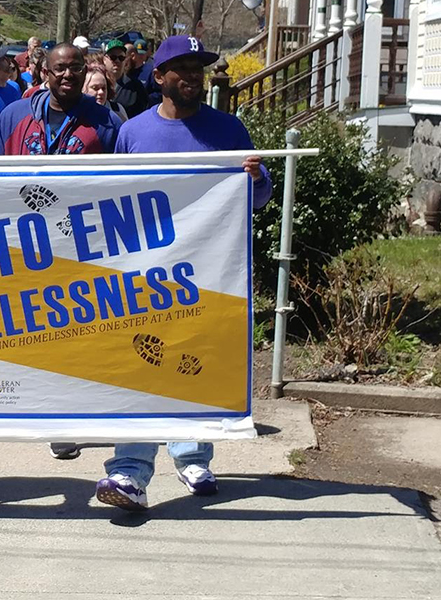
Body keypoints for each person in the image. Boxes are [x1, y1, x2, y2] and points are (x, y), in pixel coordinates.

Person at [97, 35, 272, 512]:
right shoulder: (133, 133)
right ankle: (129, 469)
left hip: (205, 275)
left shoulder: (230, 129)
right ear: (159, 77)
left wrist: (256, 179)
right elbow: (112, 200)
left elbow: (256, 200)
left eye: (198, 67)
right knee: (139, 367)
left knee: (194, 362)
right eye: (182, 67)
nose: (192, 75)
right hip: (144, 277)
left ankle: (193, 454)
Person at [0, 43, 120, 156]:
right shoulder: (13, 116)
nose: (68, 74)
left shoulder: (107, 123)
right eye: (59, 68)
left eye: (76, 68)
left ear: (84, 72)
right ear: (46, 73)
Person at [105, 40, 149, 117]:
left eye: (121, 58)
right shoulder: (98, 84)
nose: (117, 61)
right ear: (104, 59)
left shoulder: (136, 87)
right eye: (113, 57)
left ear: (125, 61)